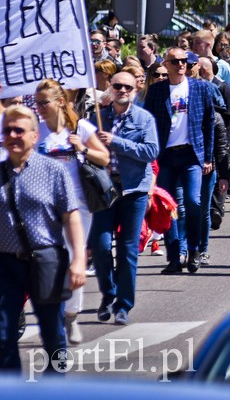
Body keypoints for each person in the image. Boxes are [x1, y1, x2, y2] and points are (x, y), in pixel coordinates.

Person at [0, 105, 86, 373]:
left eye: (19, 130)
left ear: (34, 136)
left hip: (47, 261)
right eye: (7, 131)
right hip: (6, 264)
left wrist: (79, 260)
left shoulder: (53, 170)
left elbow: (71, 216)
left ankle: (54, 387)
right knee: (3, 335)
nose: (12, 136)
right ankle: (10, 389)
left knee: (53, 335)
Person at [34, 79, 110, 344]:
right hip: (44, 206)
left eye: (44, 102)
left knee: (72, 261)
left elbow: (104, 157)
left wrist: (83, 148)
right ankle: (55, 314)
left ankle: (71, 315)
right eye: (37, 103)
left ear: (60, 102)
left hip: (77, 207)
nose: (39, 108)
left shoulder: (80, 127)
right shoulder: (35, 131)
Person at [89, 72, 159, 326]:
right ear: (110, 88)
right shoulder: (98, 118)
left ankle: (123, 305)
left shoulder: (144, 118)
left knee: (127, 248)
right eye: (117, 86)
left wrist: (116, 142)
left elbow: (151, 151)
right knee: (100, 245)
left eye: (128, 87)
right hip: (105, 189)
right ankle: (109, 293)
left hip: (134, 189)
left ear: (135, 91)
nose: (122, 90)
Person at [144, 46, 216, 274]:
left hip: (191, 154)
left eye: (184, 60)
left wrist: (208, 157)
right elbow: (149, 124)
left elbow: (209, 123)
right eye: (175, 61)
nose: (181, 64)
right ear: (165, 65)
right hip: (165, 156)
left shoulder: (201, 88)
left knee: (194, 202)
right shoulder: (156, 91)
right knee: (167, 207)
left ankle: (194, 251)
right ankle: (175, 257)